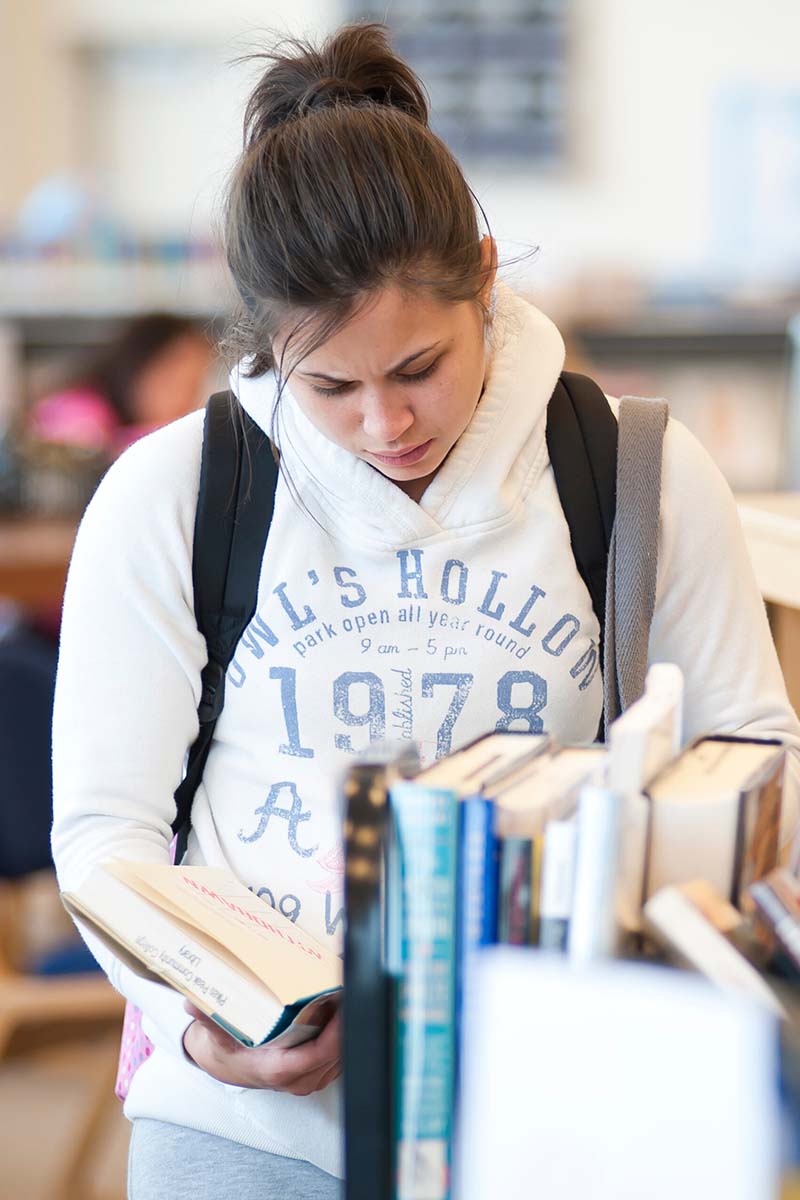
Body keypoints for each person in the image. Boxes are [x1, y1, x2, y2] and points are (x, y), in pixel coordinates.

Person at [51, 22, 800, 1200]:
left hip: (562, 1115)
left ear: (486, 279)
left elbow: (754, 758)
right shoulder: (169, 494)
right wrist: (198, 1023)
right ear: (261, 344)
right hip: (253, 1131)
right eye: (333, 387)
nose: (384, 426)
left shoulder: (639, 470)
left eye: (418, 369)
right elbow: (106, 836)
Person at [28, 311, 212, 460]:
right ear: (136, 367)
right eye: (171, 384)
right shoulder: (78, 409)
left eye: (193, 387)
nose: (182, 399)